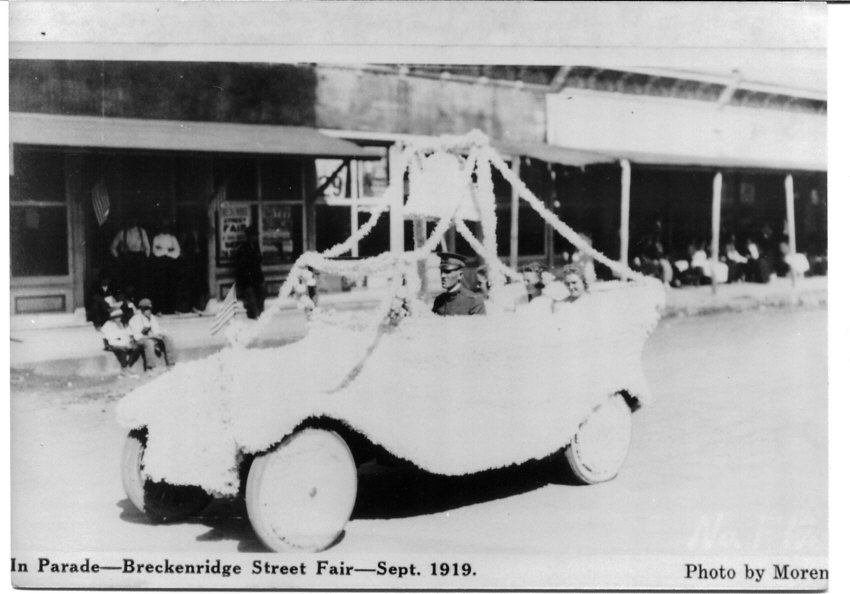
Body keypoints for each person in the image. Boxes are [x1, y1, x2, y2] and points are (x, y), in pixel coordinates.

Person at [129, 298, 177, 371]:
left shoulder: (152, 317)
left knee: (168, 338)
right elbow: (137, 337)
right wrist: (151, 336)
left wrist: (159, 335)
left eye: (149, 308)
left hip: (150, 338)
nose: (148, 311)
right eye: (145, 309)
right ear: (141, 309)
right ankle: (150, 367)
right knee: (149, 342)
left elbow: (156, 330)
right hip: (138, 341)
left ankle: (171, 364)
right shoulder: (135, 319)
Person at [432, 252, 486, 316]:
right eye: (441, 271)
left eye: (447, 272)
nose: (442, 276)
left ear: (460, 275)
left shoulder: (474, 301)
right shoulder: (439, 301)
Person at [109, 217, 151, 294]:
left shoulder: (142, 231)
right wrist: (117, 257)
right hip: (127, 259)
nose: (132, 221)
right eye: (130, 219)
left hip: (139, 259)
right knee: (127, 282)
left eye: (134, 219)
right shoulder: (122, 233)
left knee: (140, 283)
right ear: (127, 221)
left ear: (137, 220)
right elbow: (112, 247)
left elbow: (147, 247)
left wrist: (145, 260)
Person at [234, 224, 265, 319]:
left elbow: (258, 262)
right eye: (253, 235)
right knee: (251, 296)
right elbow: (242, 266)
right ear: (249, 236)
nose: (255, 238)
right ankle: (255, 314)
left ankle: (260, 313)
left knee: (261, 293)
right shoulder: (243, 248)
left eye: (256, 235)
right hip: (246, 279)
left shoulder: (256, 247)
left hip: (256, 277)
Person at [100, 308, 142, 377]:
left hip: (124, 343)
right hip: (114, 344)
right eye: (117, 317)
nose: (119, 318)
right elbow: (108, 338)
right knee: (123, 349)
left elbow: (128, 334)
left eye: (120, 317)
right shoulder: (108, 325)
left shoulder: (122, 324)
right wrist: (108, 345)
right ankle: (124, 369)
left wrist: (130, 342)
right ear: (112, 318)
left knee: (136, 349)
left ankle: (127, 366)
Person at [150, 222, 181, 314]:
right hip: (160, 264)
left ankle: (171, 309)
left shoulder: (172, 238)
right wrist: (168, 250)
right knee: (160, 286)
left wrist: (164, 251)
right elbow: (155, 251)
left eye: (166, 227)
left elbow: (177, 251)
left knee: (171, 285)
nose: (165, 229)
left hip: (170, 264)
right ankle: (160, 309)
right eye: (163, 227)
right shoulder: (157, 238)